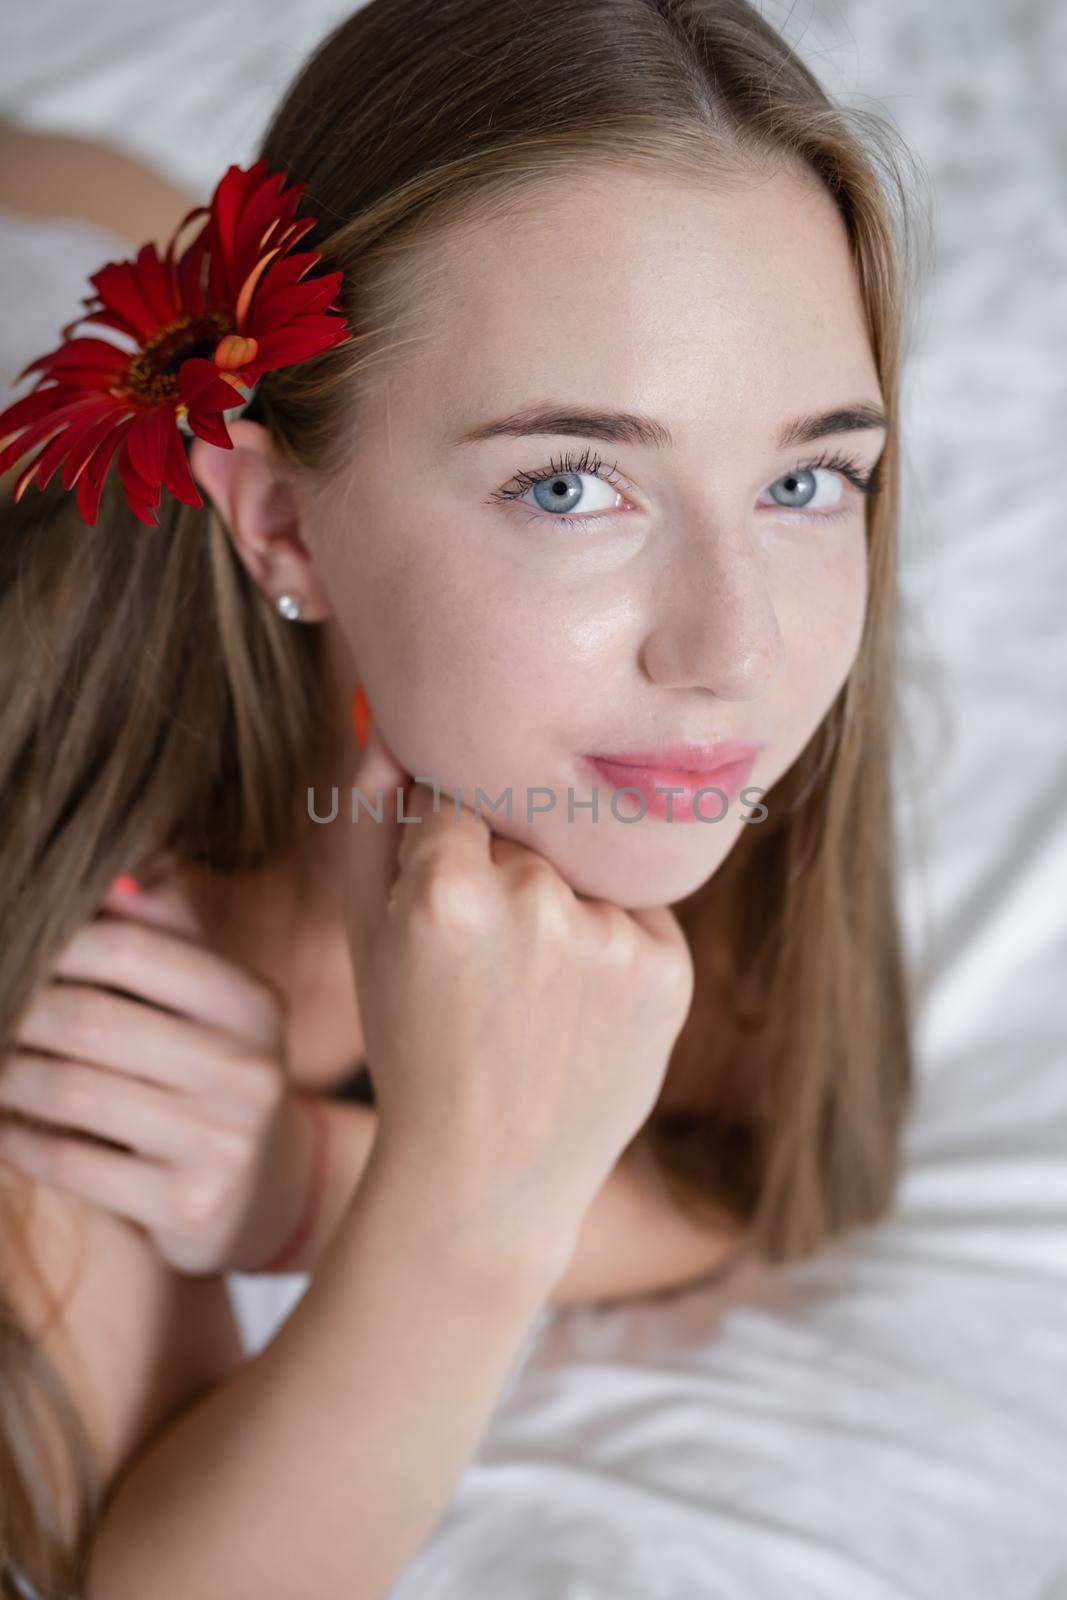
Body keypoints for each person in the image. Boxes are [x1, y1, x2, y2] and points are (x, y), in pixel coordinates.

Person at [0, 0, 925, 1594]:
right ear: (280, 526)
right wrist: (463, 1209)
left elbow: (759, 1177)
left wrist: (306, 1180)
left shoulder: (653, 734)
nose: (739, 650)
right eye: (570, 485)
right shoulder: (93, 922)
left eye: (804, 476)